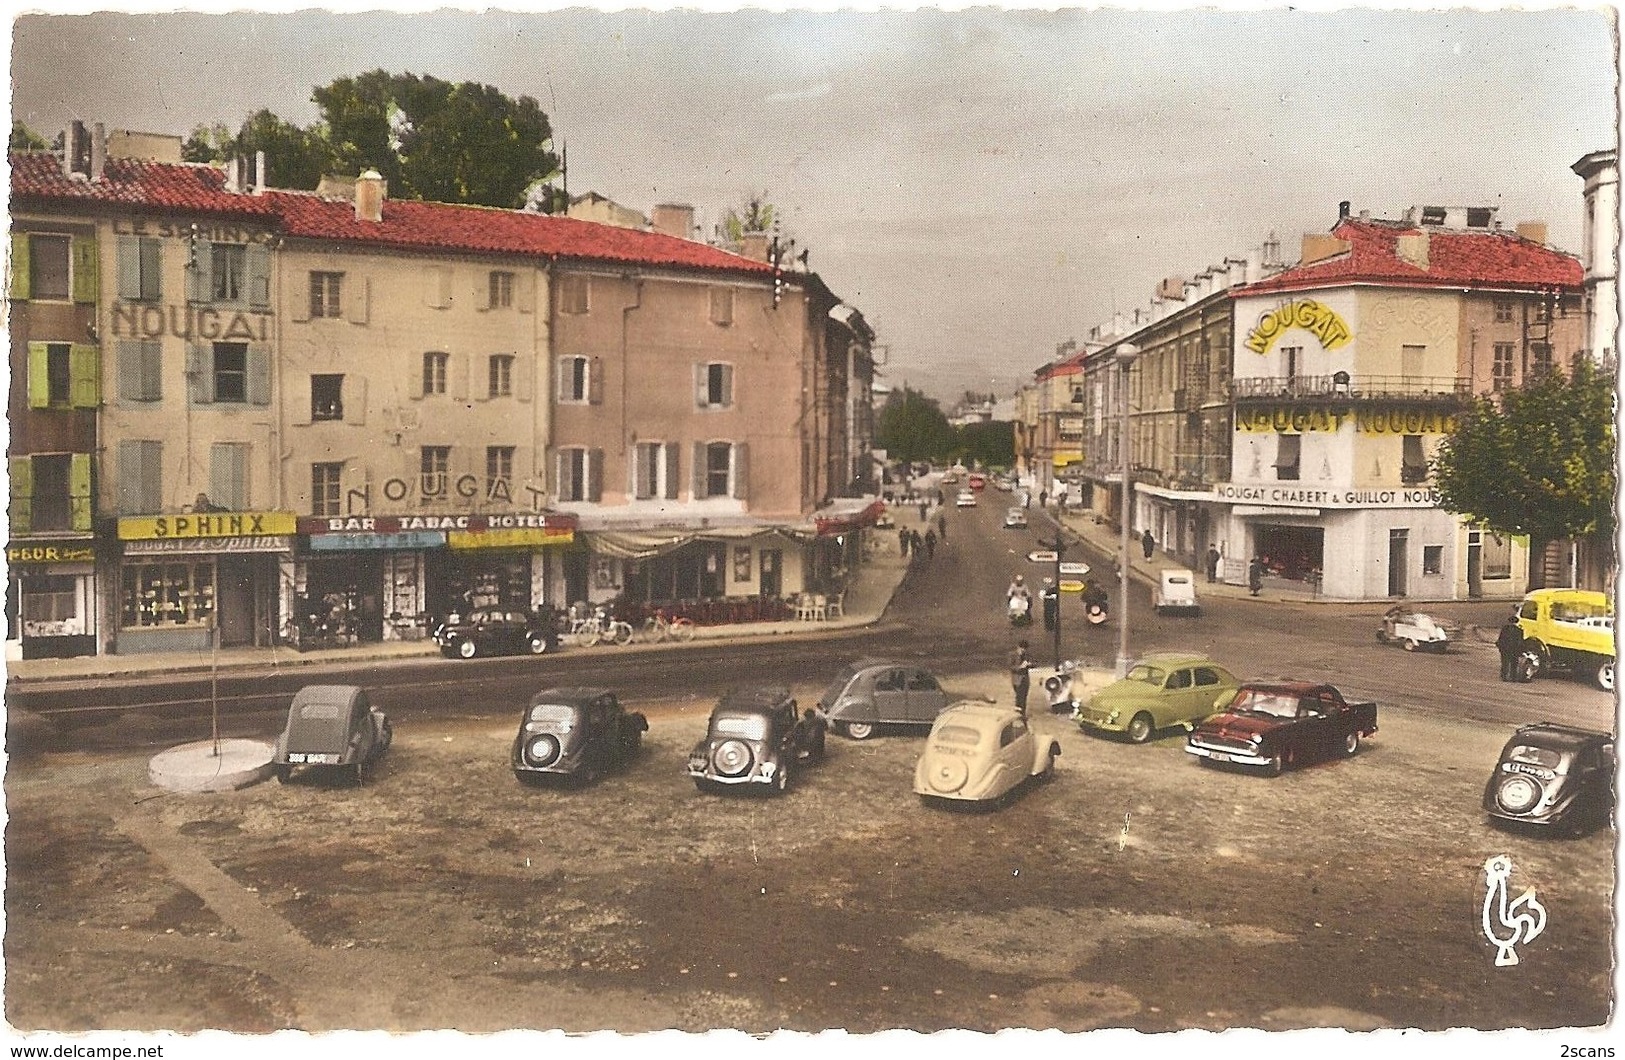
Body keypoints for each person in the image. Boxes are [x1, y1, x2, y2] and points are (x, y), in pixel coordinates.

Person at [1497, 613, 1526, 682]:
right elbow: (1520, 642)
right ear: (1516, 622)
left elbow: (1501, 639)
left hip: (1505, 649)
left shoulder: (1505, 629)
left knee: (1505, 663)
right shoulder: (1519, 630)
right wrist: (1521, 651)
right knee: (1514, 663)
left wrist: (1500, 648)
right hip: (1514, 650)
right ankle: (1513, 677)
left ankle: (1504, 676)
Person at [1008, 639, 1033, 716]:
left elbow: (1034, 663)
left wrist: (1029, 665)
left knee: (1024, 697)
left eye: (1024, 649)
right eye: (1021, 649)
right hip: (1017, 679)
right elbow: (1011, 667)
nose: (1023, 651)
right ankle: (1018, 714)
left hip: (1025, 679)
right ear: (1018, 647)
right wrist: (1020, 667)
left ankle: (1023, 714)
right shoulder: (1012, 655)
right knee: (1019, 697)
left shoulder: (1026, 655)